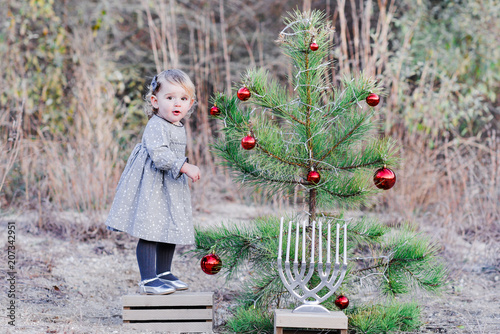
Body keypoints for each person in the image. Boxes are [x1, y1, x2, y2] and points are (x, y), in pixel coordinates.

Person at [105, 69, 201, 295]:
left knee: (170, 226)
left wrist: (180, 167)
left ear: (190, 103)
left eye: (183, 98)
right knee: (151, 229)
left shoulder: (178, 125)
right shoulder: (156, 124)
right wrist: (185, 166)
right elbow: (160, 155)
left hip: (170, 184)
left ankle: (164, 272)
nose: (177, 104)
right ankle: (148, 279)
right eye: (170, 98)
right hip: (152, 185)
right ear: (155, 102)